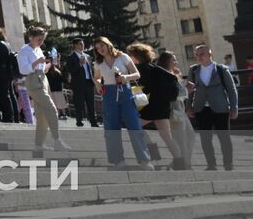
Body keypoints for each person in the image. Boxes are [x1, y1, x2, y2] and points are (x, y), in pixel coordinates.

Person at [94, 36, 152, 169]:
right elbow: (97, 78)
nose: (100, 49)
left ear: (108, 44)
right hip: (108, 93)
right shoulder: (98, 62)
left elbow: (137, 74)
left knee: (134, 125)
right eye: (97, 48)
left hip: (125, 92)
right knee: (111, 127)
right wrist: (98, 85)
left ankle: (144, 159)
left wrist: (125, 77)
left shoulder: (122, 57)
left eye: (102, 45)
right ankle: (118, 160)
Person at [128, 43, 184, 169]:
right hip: (163, 107)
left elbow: (145, 88)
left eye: (130, 55)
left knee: (134, 126)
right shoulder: (156, 69)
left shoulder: (141, 69)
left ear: (136, 56)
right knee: (167, 137)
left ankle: (152, 151)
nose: (129, 58)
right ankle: (180, 162)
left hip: (149, 107)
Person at [188, 44, 239, 171]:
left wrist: (234, 108)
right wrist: (188, 107)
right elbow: (189, 91)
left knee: (224, 138)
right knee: (205, 139)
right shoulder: (193, 70)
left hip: (220, 108)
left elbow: (231, 90)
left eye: (202, 54)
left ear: (210, 54)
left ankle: (228, 164)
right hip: (201, 108)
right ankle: (211, 164)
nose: (199, 57)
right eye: (197, 55)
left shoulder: (222, 69)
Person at [19, 28, 68, 152]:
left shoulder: (38, 49)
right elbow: (23, 70)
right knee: (51, 109)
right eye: (39, 39)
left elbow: (44, 69)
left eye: (43, 39)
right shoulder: (24, 50)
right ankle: (57, 141)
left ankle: (38, 145)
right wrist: (37, 62)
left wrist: (51, 62)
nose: (41, 42)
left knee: (41, 116)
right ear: (31, 37)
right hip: (33, 82)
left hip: (43, 80)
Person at [157, 50, 195, 169]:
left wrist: (180, 79)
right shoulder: (163, 75)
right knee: (181, 140)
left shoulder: (171, 74)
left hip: (180, 111)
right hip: (173, 113)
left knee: (190, 136)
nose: (176, 62)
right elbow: (173, 93)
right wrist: (187, 90)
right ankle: (184, 165)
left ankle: (178, 163)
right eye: (174, 59)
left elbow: (178, 90)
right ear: (167, 61)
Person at [66, 39, 98, 127]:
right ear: (75, 45)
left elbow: (91, 69)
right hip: (78, 84)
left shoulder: (87, 56)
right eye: (80, 44)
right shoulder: (71, 57)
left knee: (91, 103)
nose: (82, 45)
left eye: (83, 44)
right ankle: (79, 120)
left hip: (89, 82)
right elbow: (69, 70)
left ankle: (93, 121)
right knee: (79, 103)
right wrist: (79, 64)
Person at [0, 27, 17, 123]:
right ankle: (14, 116)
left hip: (1, 73)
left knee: (4, 95)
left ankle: (8, 117)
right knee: (11, 94)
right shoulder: (7, 44)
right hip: (8, 72)